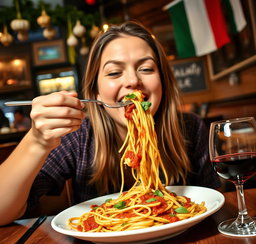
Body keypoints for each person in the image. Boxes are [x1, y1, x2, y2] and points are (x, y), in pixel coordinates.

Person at [0, 21, 220, 226]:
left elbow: (212, 204)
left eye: (146, 69)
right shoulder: (78, 137)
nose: (133, 81)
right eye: (114, 72)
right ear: (96, 90)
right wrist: (37, 141)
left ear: (163, 81)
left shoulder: (191, 128)